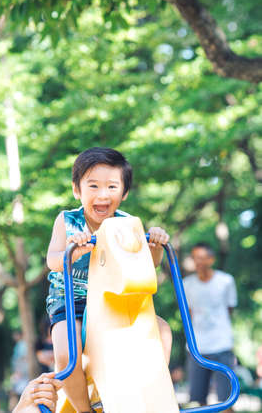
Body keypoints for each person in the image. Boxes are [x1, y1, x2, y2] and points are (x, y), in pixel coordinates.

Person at [46, 147, 172, 413]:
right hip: (73, 300)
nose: (103, 194)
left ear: (124, 193)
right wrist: (73, 250)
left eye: (112, 187)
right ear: (77, 190)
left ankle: (150, 395)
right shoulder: (68, 221)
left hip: (113, 302)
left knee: (161, 331)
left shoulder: (128, 226)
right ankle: (83, 409)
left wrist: (156, 245)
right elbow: (53, 261)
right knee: (67, 352)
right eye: (93, 186)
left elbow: (149, 266)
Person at [183, 242, 238, 412]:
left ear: (211, 259)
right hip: (197, 348)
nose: (198, 262)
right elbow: (189, 314)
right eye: (195, 258)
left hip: (222, 345)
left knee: (227, 400)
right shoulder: (186, 283)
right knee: (198, 401)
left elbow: (230, 309)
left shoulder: (226, 281)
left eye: (202, 257)